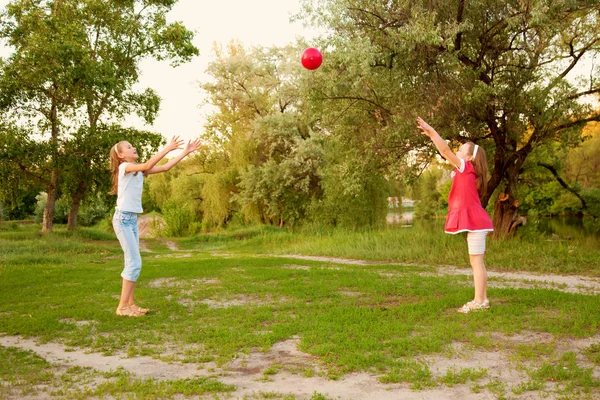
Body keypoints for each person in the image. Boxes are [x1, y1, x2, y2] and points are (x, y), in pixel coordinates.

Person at [109, 136, 201, 317]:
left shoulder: (138, 172)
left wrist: (185, 152)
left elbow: (166, 167)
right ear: (120, 155)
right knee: (134, 263)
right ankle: (122, 307)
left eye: (132, 145)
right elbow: (145, 165)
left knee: (133, 263)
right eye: (128, 147)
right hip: (122, 220)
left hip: (132, 220)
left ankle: (130, 304)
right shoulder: (124, 167)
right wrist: (167, 148)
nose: (133, 147)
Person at [416, 117, 494, 313]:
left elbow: (444, 151)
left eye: (461, 151)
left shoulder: (465, 167)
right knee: (478, 262)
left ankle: (478, 302)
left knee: (476, 262)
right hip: (479, 221)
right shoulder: (468, 171)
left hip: (476, 222)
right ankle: (483, 300)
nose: (457, 152)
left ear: (469, 158)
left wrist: (432, 132)